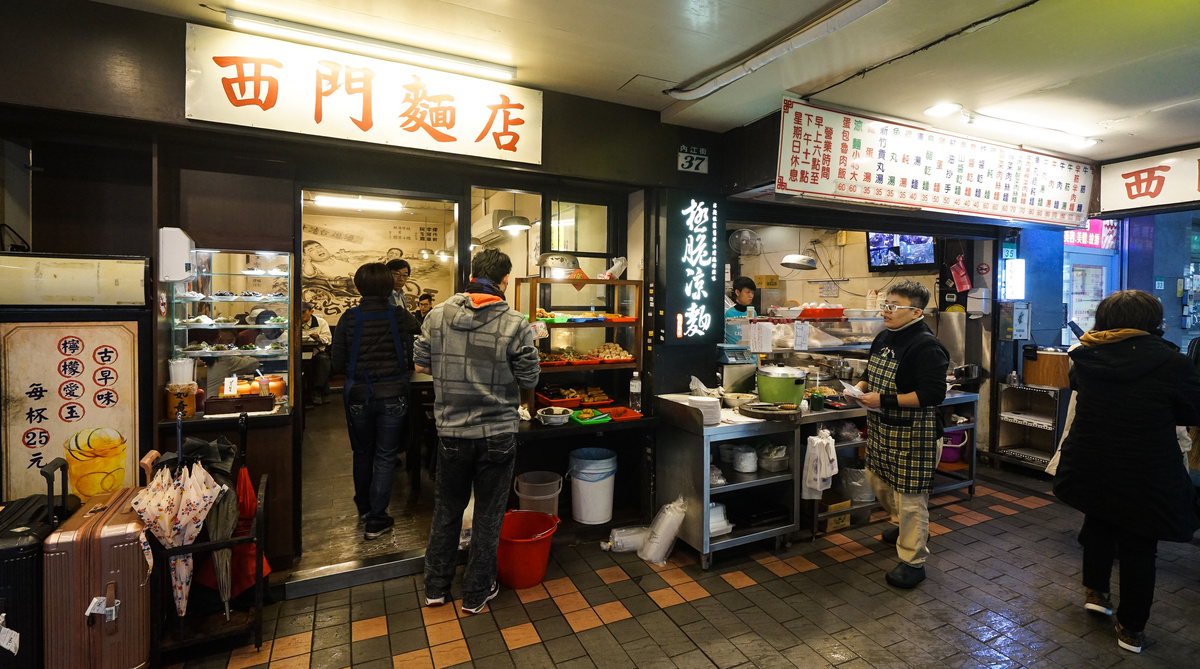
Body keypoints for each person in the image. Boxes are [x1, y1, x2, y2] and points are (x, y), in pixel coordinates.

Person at [1053, 290, 1200, 654]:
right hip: (1145, 467)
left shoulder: (1083, 357)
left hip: (1091, 460)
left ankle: (1096, 592)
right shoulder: (1173, 363)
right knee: (1139, 545)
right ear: (1153, 322)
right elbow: (1193, 411)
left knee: (1099, 521)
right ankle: (1131, 628)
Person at [415, 248, 540, 614]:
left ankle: (436, 589)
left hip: (452, 431)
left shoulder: (437, 314)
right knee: (488, 514)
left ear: (472, 276)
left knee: (447, 510)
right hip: (498, 432)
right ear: (504, 281)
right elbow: (529, 377)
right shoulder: (516, 322)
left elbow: (421, 365)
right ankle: (476, 593)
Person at [853, 280, 948, 589]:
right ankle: (904, 525)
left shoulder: (926, 345)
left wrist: (885, 400)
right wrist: (859, 390)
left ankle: (913, 560)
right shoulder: (883, 337)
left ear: (916, 311)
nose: (886, 311)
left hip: (915, 435)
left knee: (910, 499)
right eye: (885, 304)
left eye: (893, 306)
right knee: (877, 480)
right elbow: (870, 373)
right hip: (883, 429)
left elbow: (933, 394)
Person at [331, 263, 421, 540]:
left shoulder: (349, 318)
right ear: (388, 285)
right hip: (393, 394)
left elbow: (336, 363)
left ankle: (365, 508)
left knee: (362, 453)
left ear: (359, 287)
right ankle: (378, 519)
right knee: (385, 455)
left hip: (358, 395)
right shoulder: (399, 315)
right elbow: (418, 331)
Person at [300, 301, 333, 405]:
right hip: (299, 353)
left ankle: (317, 389)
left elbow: (328, 339)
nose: (301, 315)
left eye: (303, 312)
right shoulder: (294, 322)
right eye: (299, 313)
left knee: (323, 360)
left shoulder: (321, 322)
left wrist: (318, 337)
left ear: (311, 312)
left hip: (316, 352)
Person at [724, 276, 757, 344]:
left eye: (752, 292)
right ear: (737, 292)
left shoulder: (753, 313)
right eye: (747, 292)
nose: (751, 296)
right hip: (732, 352)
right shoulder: (727, 312)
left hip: (750, 352)